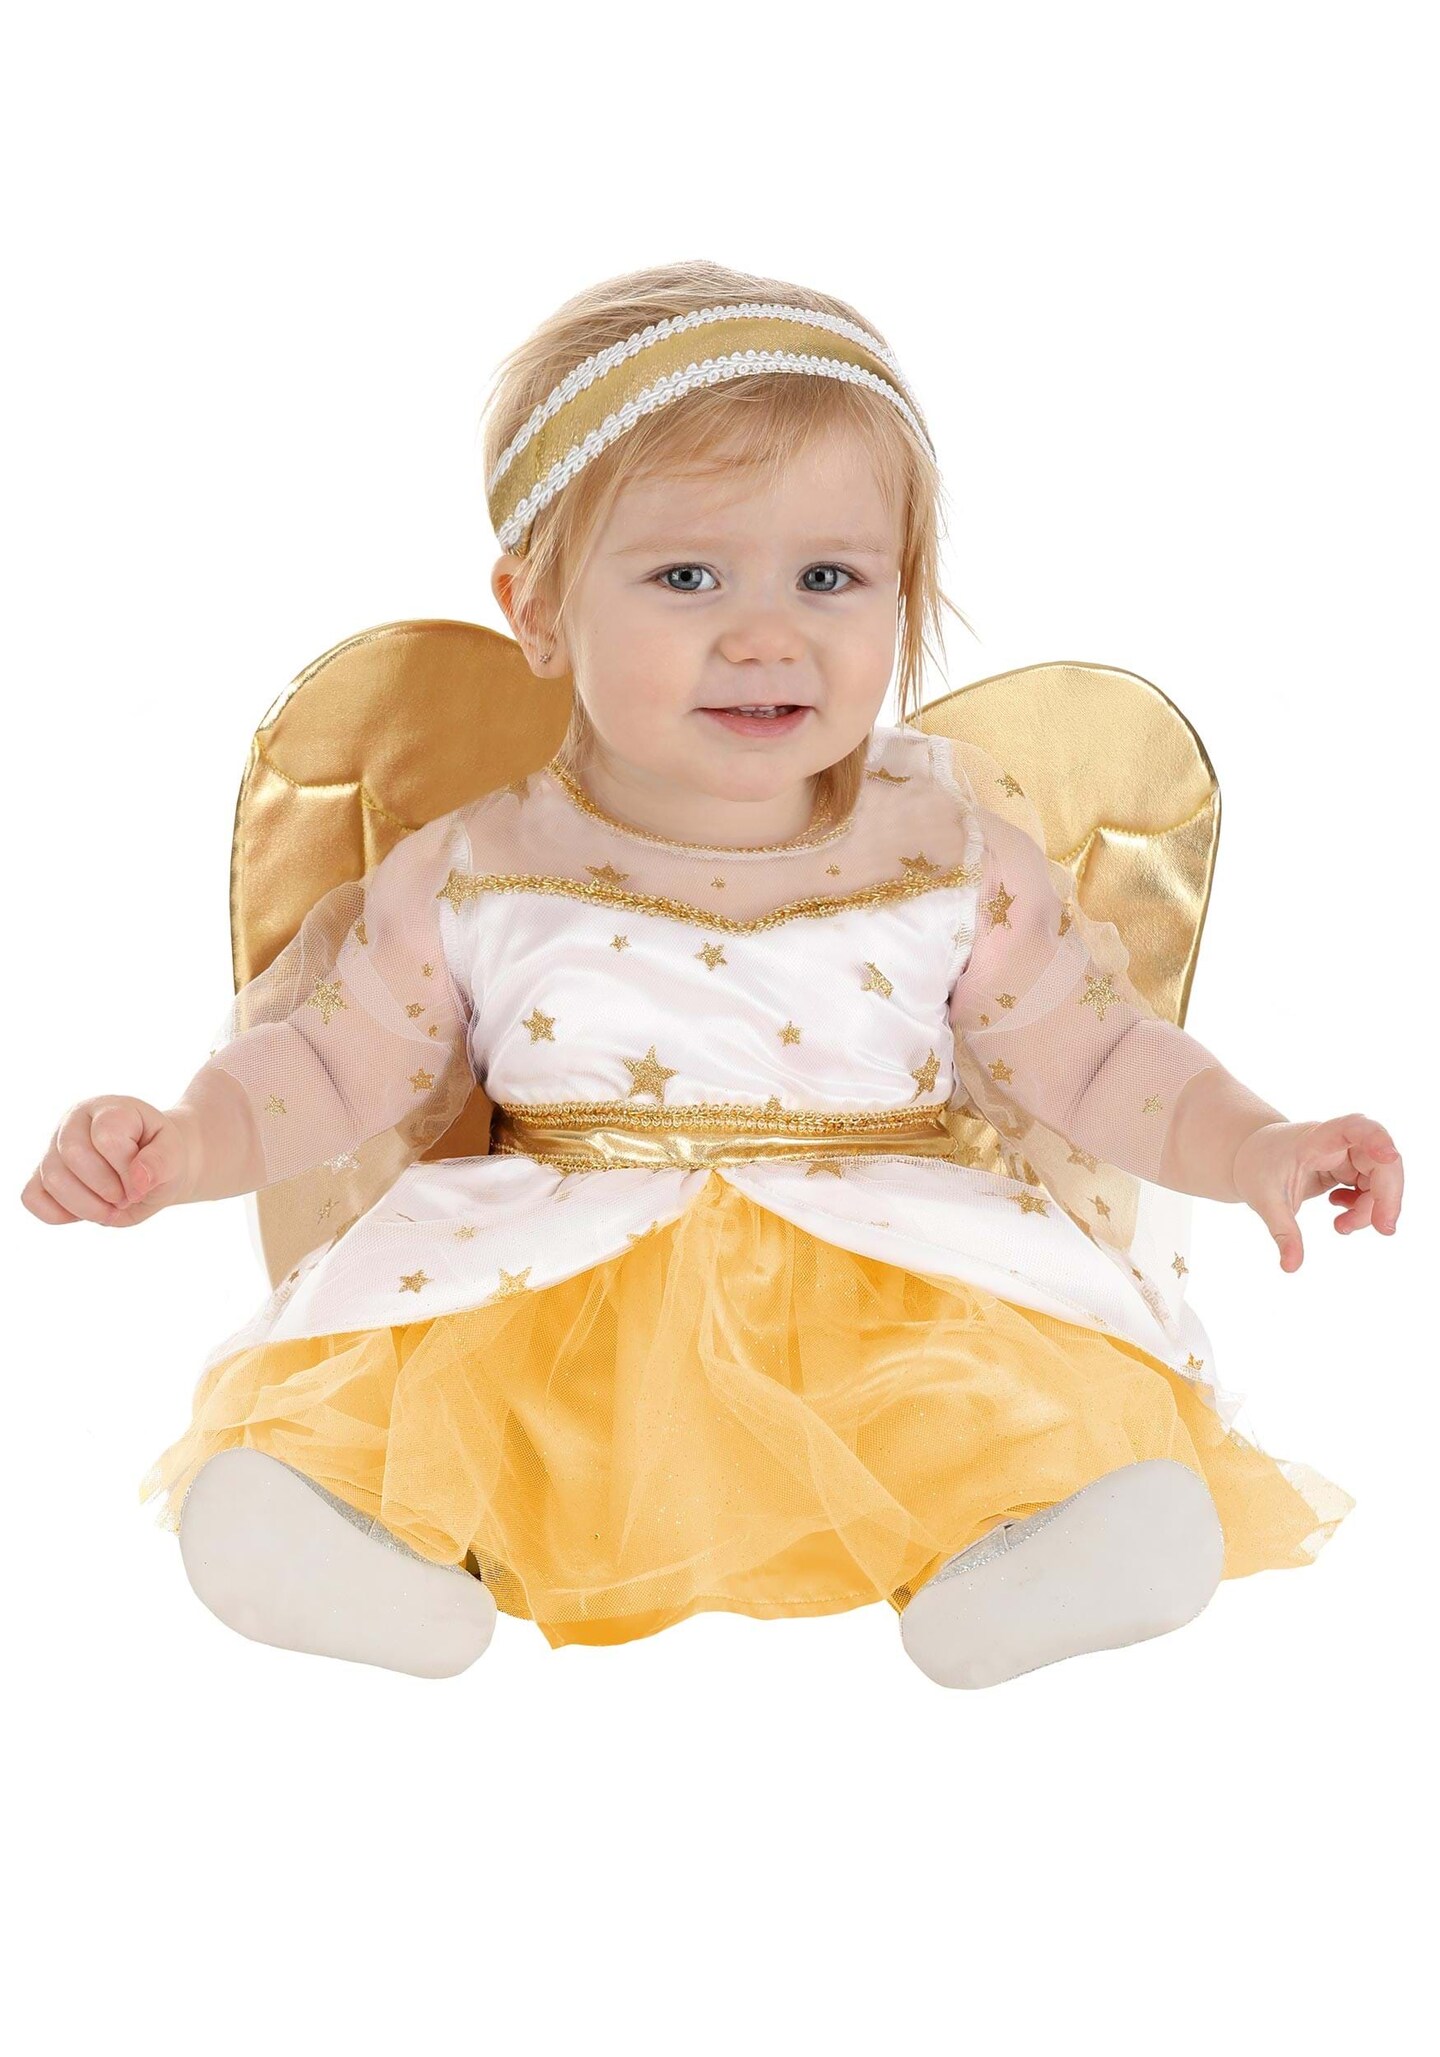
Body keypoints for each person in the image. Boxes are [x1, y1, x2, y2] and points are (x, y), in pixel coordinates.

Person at [20, 260, 1401, 1685]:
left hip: (894, 1281)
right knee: (450, 1412)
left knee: (982, 1406)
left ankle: (1023, 1551)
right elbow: (323, 1063)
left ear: (901, 596)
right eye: (688, 577)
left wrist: (1259, 1145)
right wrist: (184, 1142)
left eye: (829, 577)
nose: (765, 633)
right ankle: (374, 1548)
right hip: (555, 1294)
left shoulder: (947, 857)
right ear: (537, 608)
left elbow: (1103, 1058)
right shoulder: (479, 866)